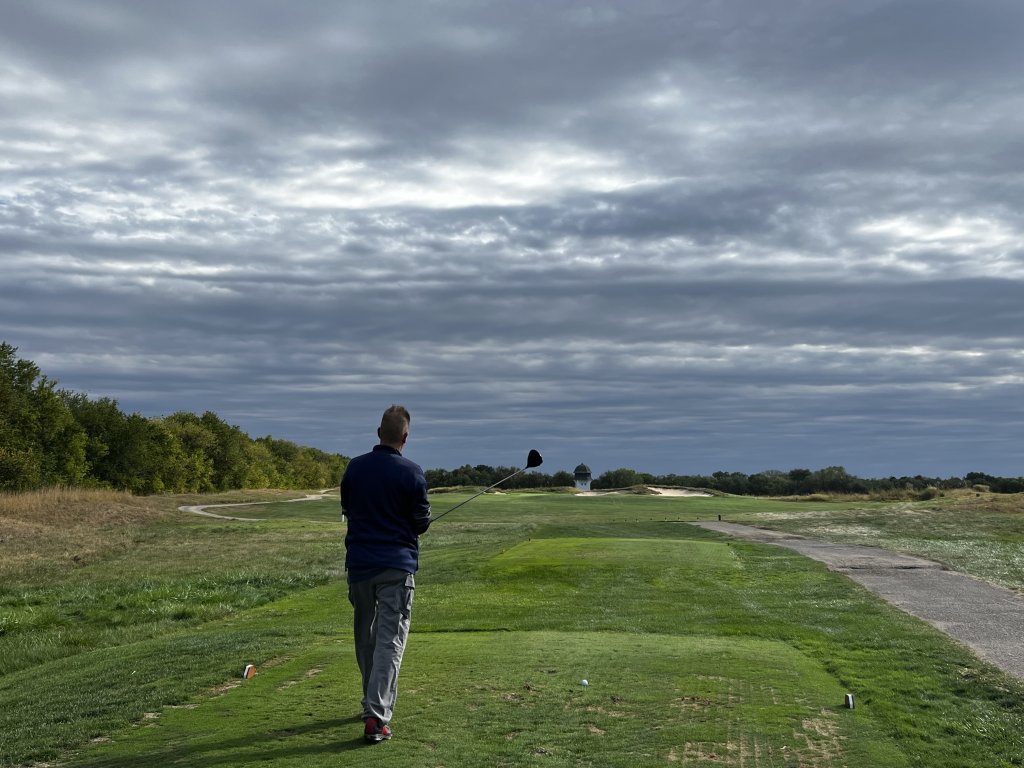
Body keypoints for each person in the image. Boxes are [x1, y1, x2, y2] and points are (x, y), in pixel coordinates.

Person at [340, 404, 432, 743]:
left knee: (366, 637)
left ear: (379, 433)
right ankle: (377, 718)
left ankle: (371, 704)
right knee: (389, 640)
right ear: (405, 437)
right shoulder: (412, 472)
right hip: (396, 565)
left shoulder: (355, 468)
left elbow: (348, 509)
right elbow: (420, 523)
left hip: (360, 565)